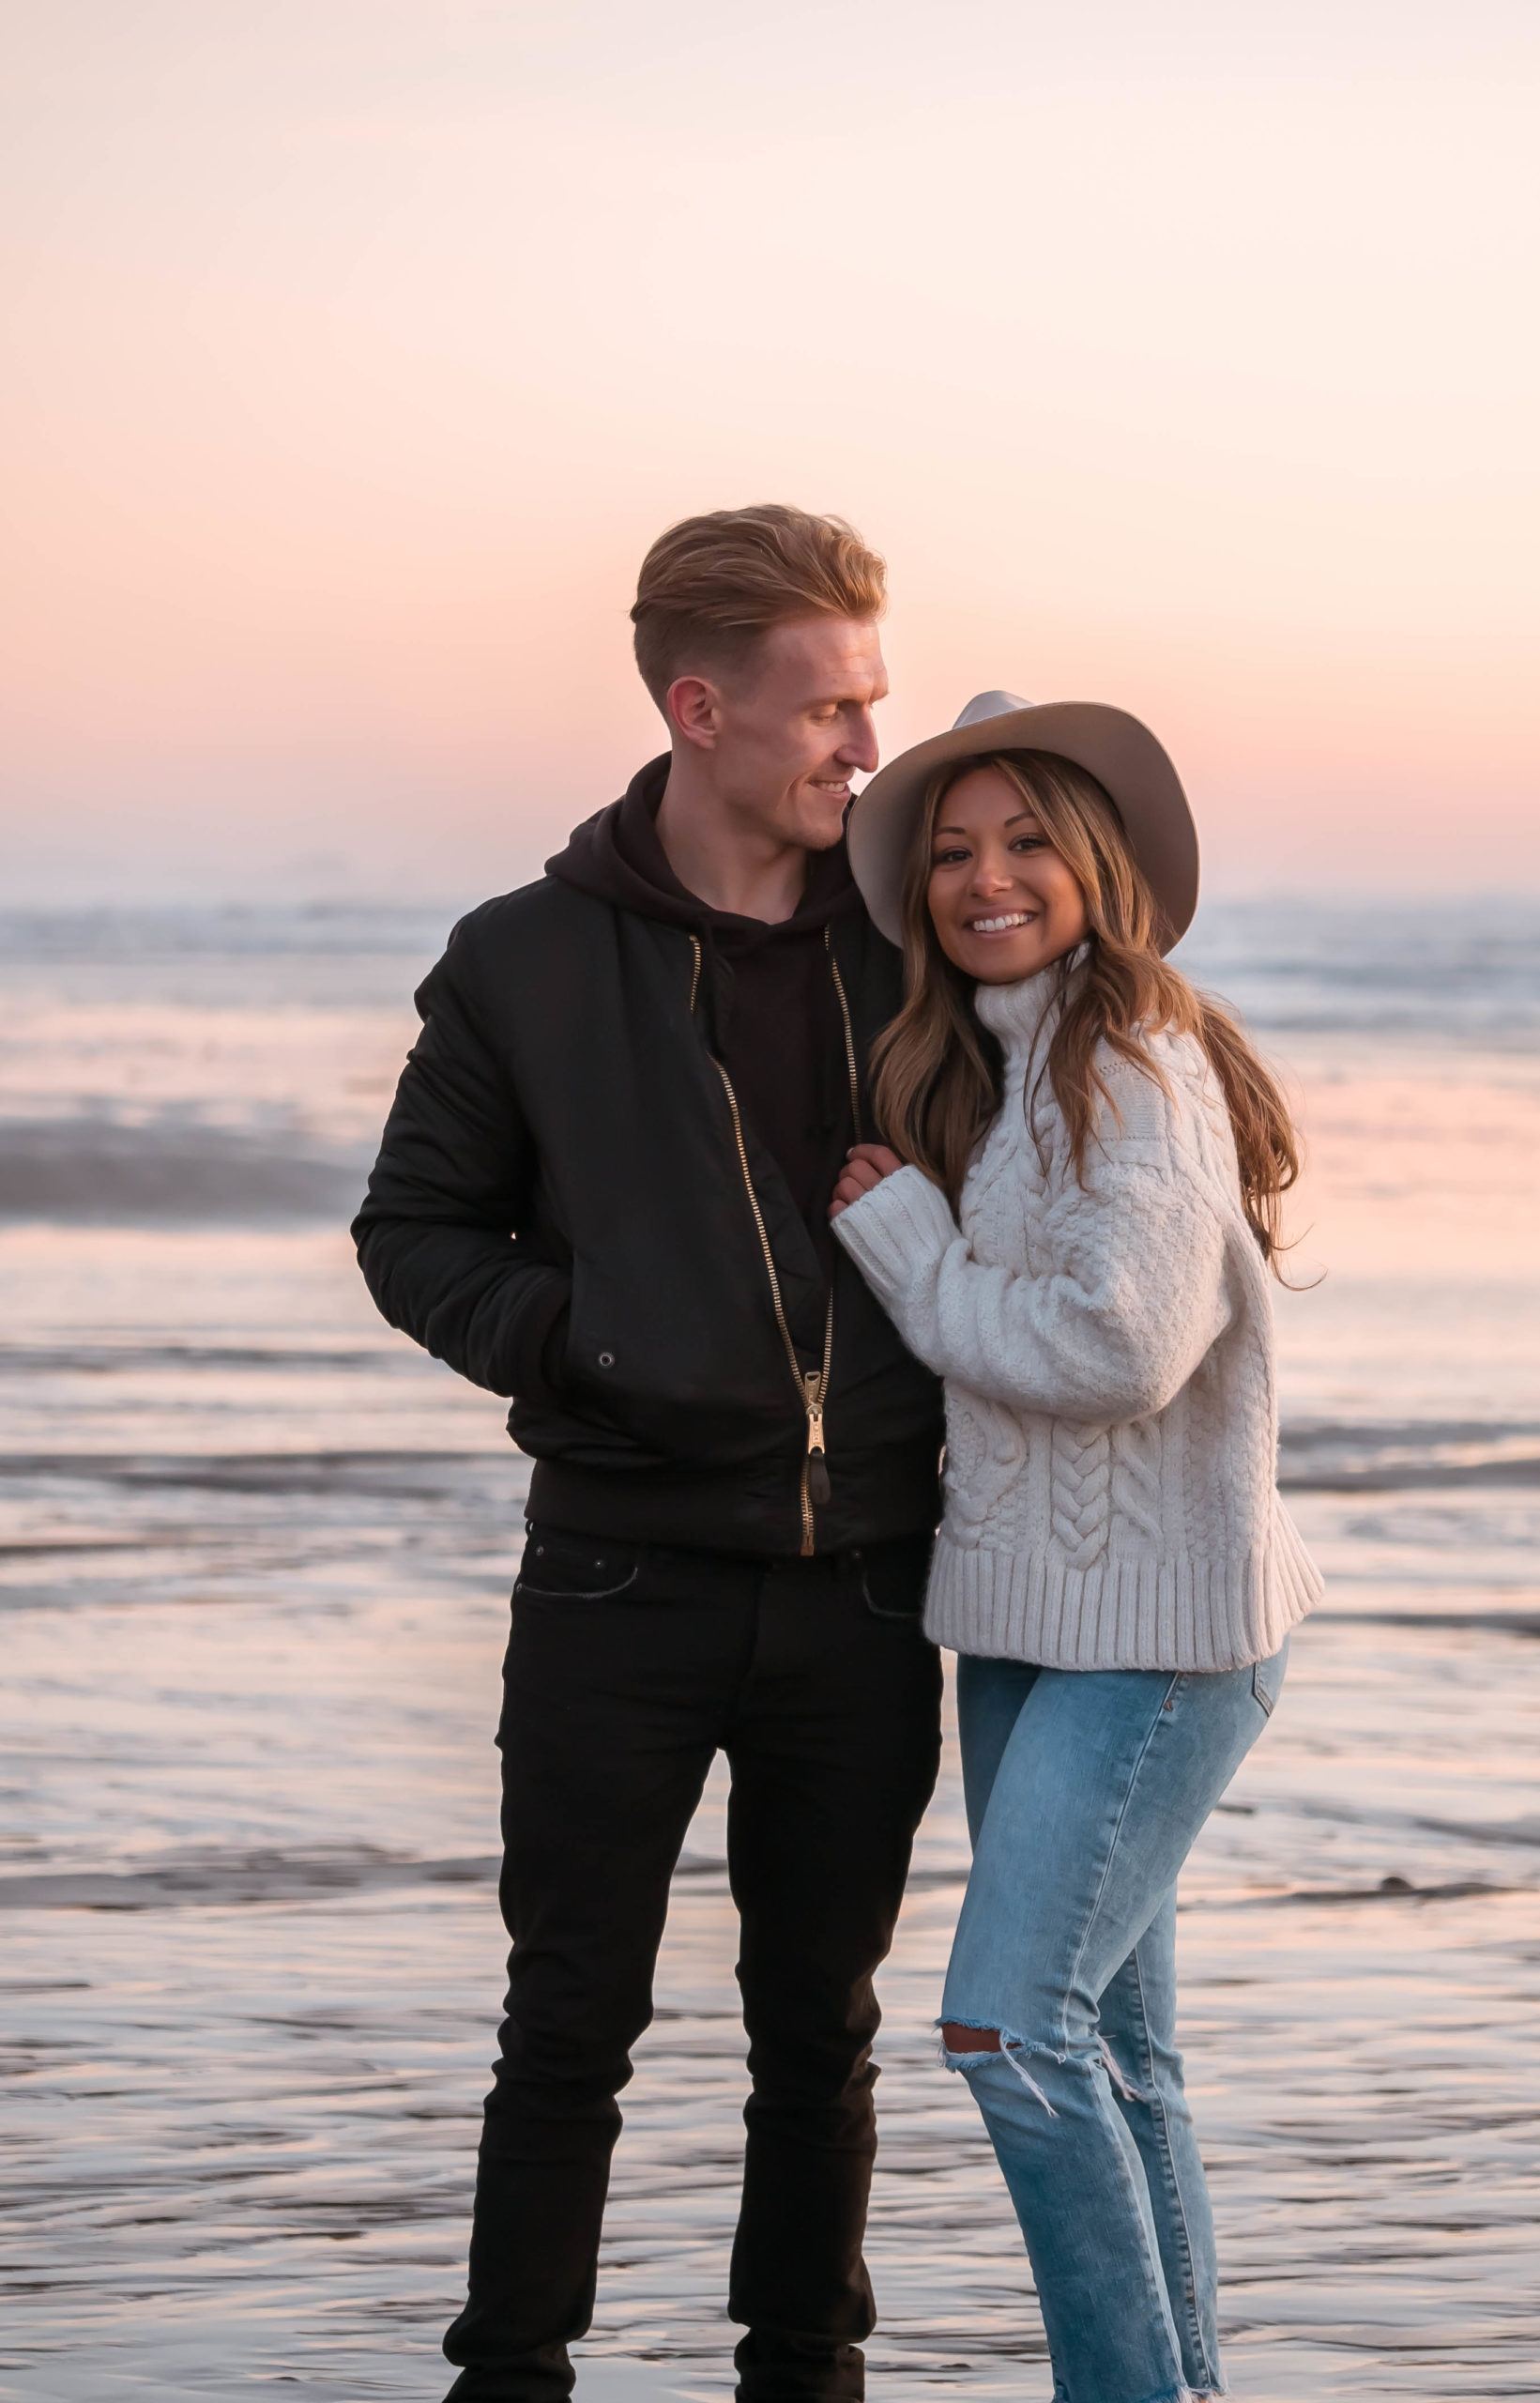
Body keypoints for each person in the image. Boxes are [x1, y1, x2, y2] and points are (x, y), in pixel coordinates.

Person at [352, 507, 946, 2403]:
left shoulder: (914, 947)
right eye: (828, 709)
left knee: (819, 2027)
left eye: (875, 699)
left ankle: (807, 2365)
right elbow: (415, 1231)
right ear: (700, 707)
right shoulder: (526, 959)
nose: (867, 745)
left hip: (866, 1577)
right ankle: (511, 2367)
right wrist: (589, 1341)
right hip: (618, 1576)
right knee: (570, 2018)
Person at [828, 692, 1322, 2403]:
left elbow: (1121, 1349)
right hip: (1026, 1629)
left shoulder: (1132, 1062)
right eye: (954, 851)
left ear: (1098, 861)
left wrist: (908, 1252)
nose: (986, 878)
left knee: (1005, 2033)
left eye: (1026, 838)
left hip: (1161, 1641)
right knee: (1119, 2052)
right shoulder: (1006, 1062)